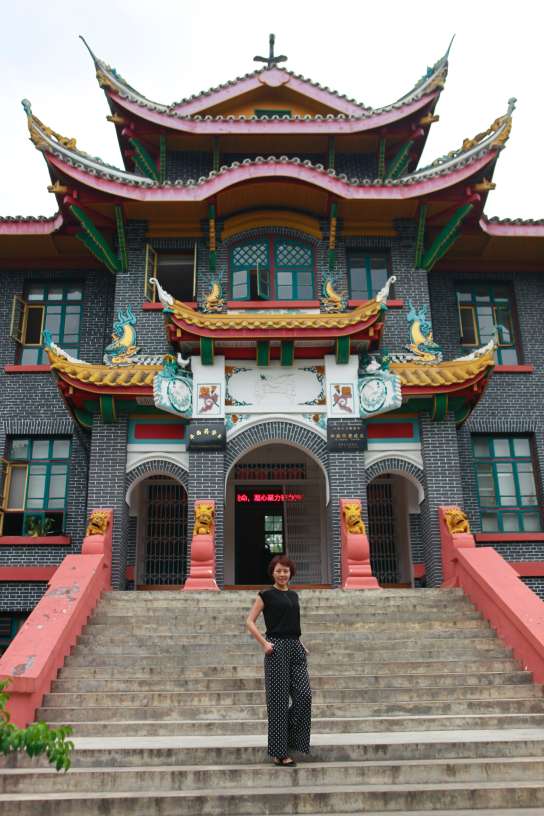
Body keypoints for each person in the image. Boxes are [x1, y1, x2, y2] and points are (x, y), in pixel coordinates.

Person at [245, 555, 312, 767]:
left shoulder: (293, 595)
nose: (282, 574)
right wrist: (264, 643)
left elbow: (293, 624)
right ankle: (279, 752)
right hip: (276, 648)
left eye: (286, 571)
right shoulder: (265, 595)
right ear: (272, 573)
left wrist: (300, 642)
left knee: (304, 696)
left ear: (291, 573)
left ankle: (285, 738)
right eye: (278, 571)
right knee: (278, 702)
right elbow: (249, 621)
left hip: (295, 647)